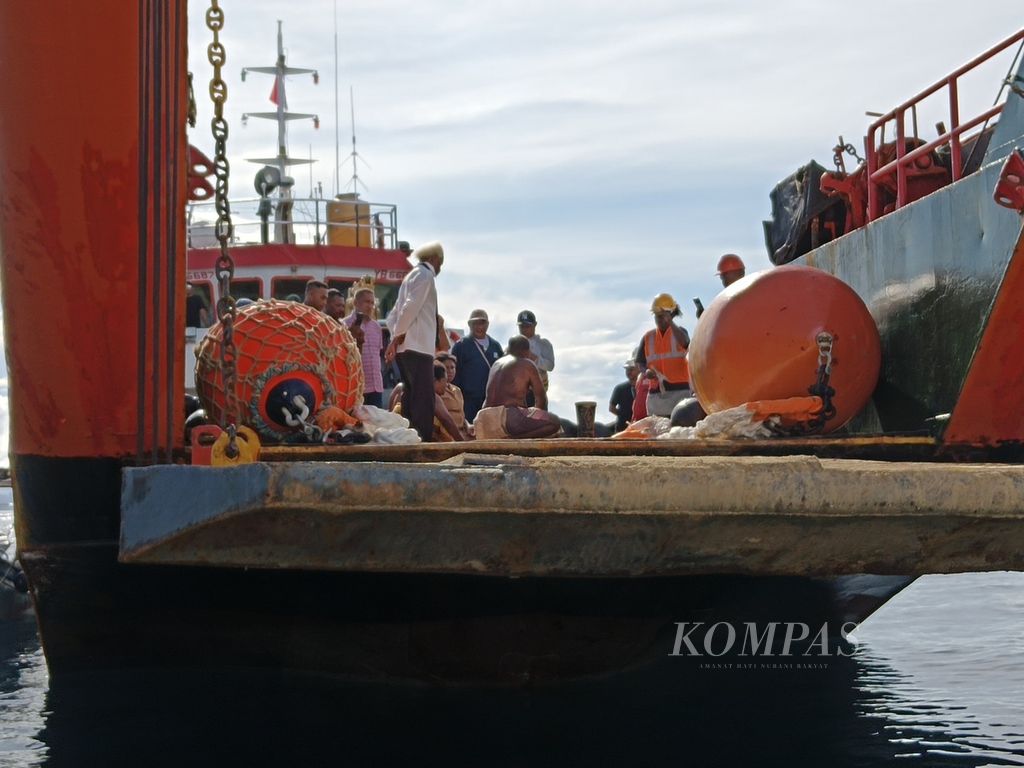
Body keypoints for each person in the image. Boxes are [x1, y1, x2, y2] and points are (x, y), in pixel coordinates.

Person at [384, 241, 444, 441]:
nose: (440, 268)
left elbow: (393, 315)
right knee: (423, 398)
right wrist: (398, 336)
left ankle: (407, 438)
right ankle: (421, 441)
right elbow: (410, 307)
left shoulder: (410, 276)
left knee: (411, 395)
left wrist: (396, 338)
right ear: (434, 259)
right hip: (419, 347)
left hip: (406, 347)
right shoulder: (425, 275)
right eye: (440, 263)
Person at [473, 336, 561, 439]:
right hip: (508, 418)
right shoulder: (527, 364)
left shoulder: (496, 364)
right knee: (554, 422)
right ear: (527, 351)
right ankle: (514, 440)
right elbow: (541, 398)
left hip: (484, 418)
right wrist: (540, 416)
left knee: (524, 413)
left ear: (509, 349)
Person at [635, 293, 691, 417]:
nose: (659, 320)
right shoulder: (648, 337)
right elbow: (640, 362)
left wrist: (670, 322)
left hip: (680, 394)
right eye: (656, 316)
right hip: (656, 396)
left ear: (670, 314)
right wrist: (646, 372)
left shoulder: (680, 332)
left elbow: (686, 343)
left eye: (662, 316)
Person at [388, 363, 464, 442]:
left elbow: (389, 412)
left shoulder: (401, 388)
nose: (446, 386)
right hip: (408, 439)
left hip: (393, 435)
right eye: (445, 381)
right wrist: (463, 443)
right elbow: (447, 420)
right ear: (435, 380)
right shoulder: (431, 395)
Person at [450, 308, 503, 422]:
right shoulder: (461, 346)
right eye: (475, 323)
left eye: (482, 322)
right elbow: (453, 373)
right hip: (468, 400)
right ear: (469, 324)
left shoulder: (496, 346)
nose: (479, 326)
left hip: (491, 400)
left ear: (487, 324)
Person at [344, 286, 384, 408]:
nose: (370, 306)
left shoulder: (377, 327)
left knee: (376, 426)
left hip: (376, 387)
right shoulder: (344, 325)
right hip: (355, 388)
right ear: (356, 303)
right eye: (367, 302)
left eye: (372, 302)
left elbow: (377, 355)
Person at [516, 310, 555, 406]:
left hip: (538, 393)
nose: (524, 329)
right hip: (518, 394)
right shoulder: (513, 345)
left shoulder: (544, 344)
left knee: (540, 419)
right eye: (522, 326)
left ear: (535, 325)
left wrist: (535, 358)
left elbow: (550, 366)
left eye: (527, 326)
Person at [436, 352, 469, 439]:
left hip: (463, 432)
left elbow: (461, 414)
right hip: (446, 435)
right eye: (446, 368)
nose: (450, 371)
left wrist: (468, 426)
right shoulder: (436, 391)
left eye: (452, 368)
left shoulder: (457, 390)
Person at [609, 359, 640, 433]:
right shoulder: (620, 388)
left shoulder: (645, 387)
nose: (629, 372)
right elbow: (611, 408)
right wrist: (624, 416)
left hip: (640, 427)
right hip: (622, 428)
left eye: (631, 369)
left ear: (639, 370)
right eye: (627, 370)